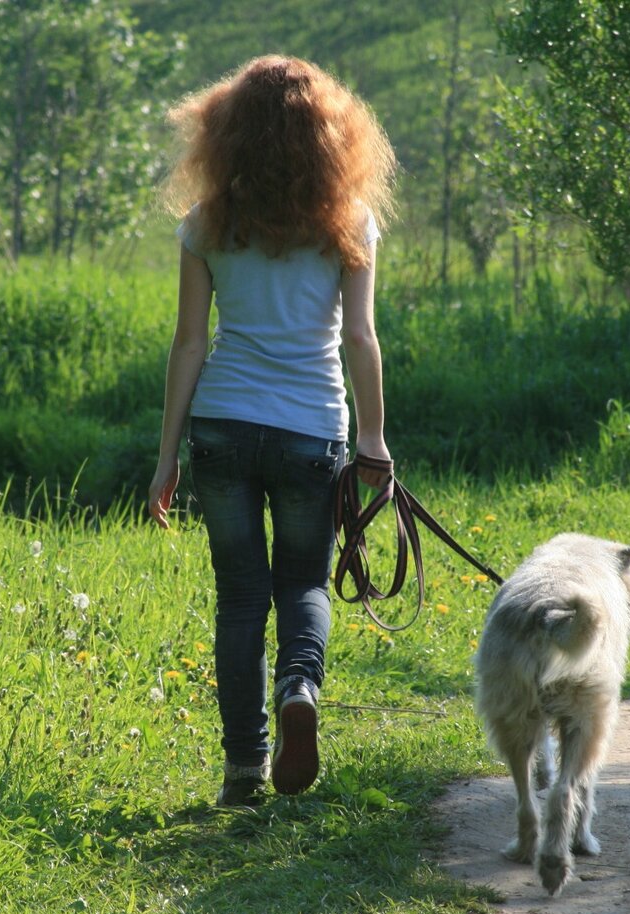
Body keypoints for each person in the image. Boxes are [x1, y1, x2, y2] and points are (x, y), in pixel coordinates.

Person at [148, 56, 397, 806]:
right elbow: (360, 339)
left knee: (239, 598)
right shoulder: (351, 222)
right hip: (310, 428)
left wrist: (166, 459)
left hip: (222, 426)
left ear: (225, 133)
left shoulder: (206, 223)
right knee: (302, 583)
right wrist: (374, 440)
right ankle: (299, 689)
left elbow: (189, 343)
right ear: (330, 136)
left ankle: (242, 770)